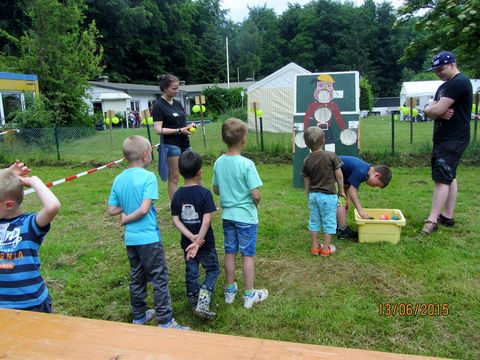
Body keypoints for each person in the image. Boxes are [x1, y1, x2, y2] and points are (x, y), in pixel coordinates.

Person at [107, 135, 189, 329]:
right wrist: (127, 217)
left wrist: (126, 208)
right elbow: (144, 210)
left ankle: (139, 315)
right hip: (149, 239)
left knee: (137, 277)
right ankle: (166, 321)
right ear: (145, 156)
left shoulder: (119, 179)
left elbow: (111, 210)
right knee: (159, 278)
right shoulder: (149, 177)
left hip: (131, 240)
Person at [212, 118, 268, 309]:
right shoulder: (247, 164)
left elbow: (216, 190)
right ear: (243, 139)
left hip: (228, 217)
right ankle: (249, 295)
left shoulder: (219, 162)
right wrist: (256, 201)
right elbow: (256, 194)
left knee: (229, 252)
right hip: (246, 217)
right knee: (247, 256)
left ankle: (229, 291)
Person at [422, 51, 473, 235]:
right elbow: (429, 109)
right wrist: (432, 110)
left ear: (452, 64)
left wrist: (434, 110)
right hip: (443, 137)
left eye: (440, 69)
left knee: (441, 177)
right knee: (449, 175)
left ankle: (432, 220)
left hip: (454, 138)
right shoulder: (444, 86)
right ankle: (447, 216)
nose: (438, 73)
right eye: (435, 70)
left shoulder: (459, 82)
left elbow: (437, 108)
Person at [0, 161, 61, 312]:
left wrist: (35, 182)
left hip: (33, 304)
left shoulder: (29, 224)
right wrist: (8, 172)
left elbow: (52, 206)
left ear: (8, 205)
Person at [171, 150, 220, 320]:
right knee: (212, 270)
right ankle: (203, 302)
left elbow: (175, 220)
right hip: (204, 244)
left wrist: (191, 238)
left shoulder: (177, 195)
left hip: (188, 244)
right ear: (200, 171)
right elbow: (206, 222)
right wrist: (198, 241)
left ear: (180, 172)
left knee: (191, 271)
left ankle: (193, 300)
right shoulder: (205, 194)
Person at [301, 127, 345, 257]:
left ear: (306, 143)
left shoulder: (306, 160)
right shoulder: (331, 156)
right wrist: (341, 190)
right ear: (323, 141)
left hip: (314, 196)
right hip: (328, 196)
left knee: (314, 221)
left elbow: (306, 181)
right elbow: (339, 175)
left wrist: (308, 195)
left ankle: (315, 248)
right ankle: (326, 249)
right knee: (329, 221)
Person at [152, 74, 195, 199]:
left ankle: (197, 201)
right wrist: (178, 130)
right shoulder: (158, 106)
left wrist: (188, 126)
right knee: (174, 177)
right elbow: (158, 129)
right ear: (165, 88)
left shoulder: (177, 103)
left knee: (194, 173)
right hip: (171, 145)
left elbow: (180, 123)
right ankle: (176, 206)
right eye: (173, 89)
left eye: (177, 88)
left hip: (185, 144)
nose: (176, 91)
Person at [336, 156, 392, 239]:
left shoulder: (365, 169)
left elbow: (347, 185)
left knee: (343, 201)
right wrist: (360, 210)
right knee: (341, 202)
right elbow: (352, 192)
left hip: (333, 173)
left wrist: (347, 199)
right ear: (376, 175)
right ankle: (343, 230)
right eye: (376, 184)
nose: (373, 186)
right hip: (328, 171)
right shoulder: (362, 171)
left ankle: (337, 225)